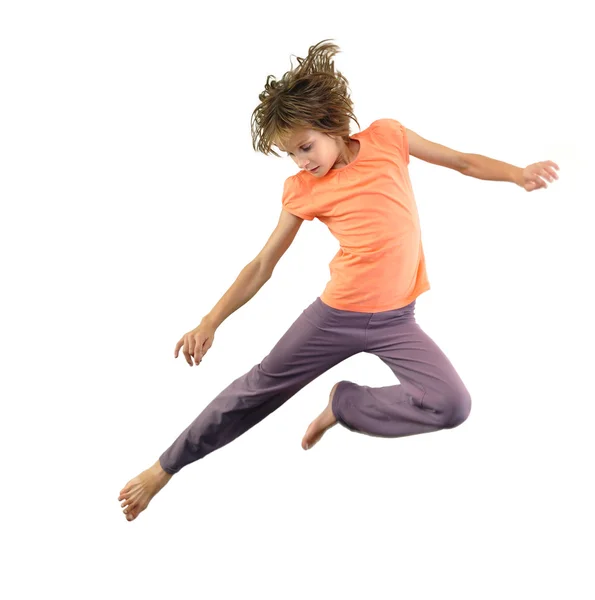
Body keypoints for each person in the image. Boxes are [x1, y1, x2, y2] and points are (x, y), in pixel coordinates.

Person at [118, 39, 560, 522]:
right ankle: (163, 469)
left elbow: (462, 162)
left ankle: (344, 405)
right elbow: (263, 264)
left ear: (333, 123)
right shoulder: (303, 190)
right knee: (255, 392)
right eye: (290, 154)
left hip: (397, 320)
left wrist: (517, 174)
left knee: (451, 404)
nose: (302, 161)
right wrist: (210, 320)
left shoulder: (388, 137)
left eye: (305, 147)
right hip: (335, 318)